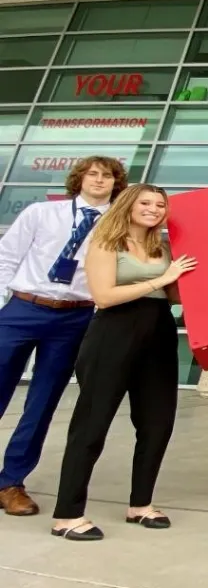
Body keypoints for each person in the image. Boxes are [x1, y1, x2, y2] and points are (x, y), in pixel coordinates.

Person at [50, 184, 194, 541]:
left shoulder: (161, 247)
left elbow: (174, 294)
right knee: (91, 425)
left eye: (160, 204)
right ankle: (67, 515)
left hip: (159, 333)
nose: (154, 209)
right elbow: (104, 296)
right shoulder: (105, 242)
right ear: (129, 205)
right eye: (145, 202)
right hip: (113, 334)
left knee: (157, 422)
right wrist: (161, 279)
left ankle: (140, 505)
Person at [0, 155, 127, 518]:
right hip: (23, 308)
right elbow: (6, 257)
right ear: (80, 178)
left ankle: (11, 482)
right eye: (94, 174)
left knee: (41, 405)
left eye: (108, 176)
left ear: (116, 184)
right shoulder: (41, 214)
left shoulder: (118, 228)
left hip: (75, 318)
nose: (100, 180)